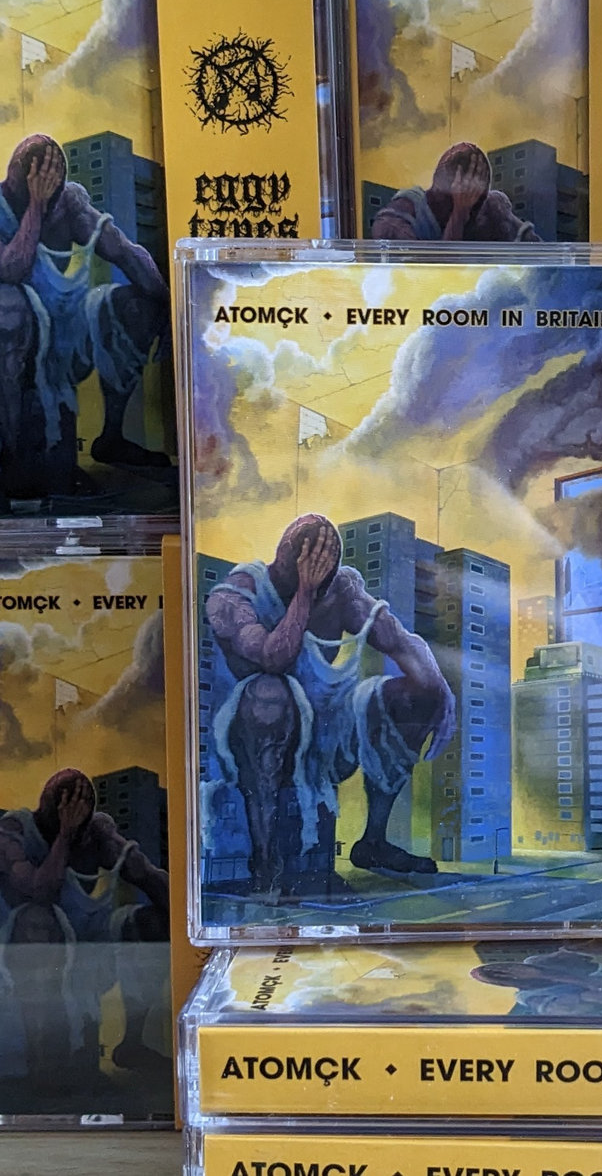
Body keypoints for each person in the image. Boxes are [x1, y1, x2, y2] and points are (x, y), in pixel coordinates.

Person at [204, 513, 456, 894]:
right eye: (311, 571)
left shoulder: (340, 590)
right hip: (250, 740)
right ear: (284, 560)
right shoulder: (235, 596)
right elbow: (274, 658)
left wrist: (439, 690)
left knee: (421, 694)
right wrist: (304, 594)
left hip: (325, 730)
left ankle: (373, 841)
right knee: (269, 694)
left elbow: (398, 639)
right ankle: (266, 860)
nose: (319, 582)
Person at [0, 133, 171, 500]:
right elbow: (12, 269)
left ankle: (111, 438)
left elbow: (125, 251)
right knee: (9, 309)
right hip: (12, 342)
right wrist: (35, 206)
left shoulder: (67, 203)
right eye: (39, 182)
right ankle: (11, 459)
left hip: (63, 329)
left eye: (51, 184)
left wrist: (170, 311)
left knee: (140, 305)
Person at [0, 768, 170, 1091]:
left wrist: (189, 916)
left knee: (152, 922)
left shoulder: (95, 834)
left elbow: (149, 877)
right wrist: (64, 836)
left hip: (89, 943)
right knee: (39, 921)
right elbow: (41, 891)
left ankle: (131, 1044)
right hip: (25, 952)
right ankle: (42, 1061)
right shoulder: (13, 833)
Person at [371, 142, 541, 243]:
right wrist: (459, 214)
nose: (472, 216)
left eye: (474, 200)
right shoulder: (396, 221)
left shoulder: (489, 209)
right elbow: (431, 280)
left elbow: (539, 255)